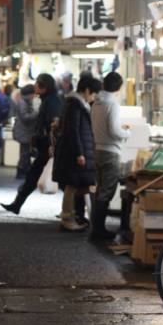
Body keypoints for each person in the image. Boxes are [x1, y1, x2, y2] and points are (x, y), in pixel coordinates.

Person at [1, 73, 63, 214]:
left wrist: (50, 143)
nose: (34, 86)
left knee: (60, 179)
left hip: (50, 146)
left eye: (37, 83)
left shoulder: (52, 102)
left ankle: (73, 210)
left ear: (44, 87)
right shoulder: (49, 100)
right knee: (35, 176)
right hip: (47, 146)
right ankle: (17, 204)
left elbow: (53, 125)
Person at [52, 75, 101, 232]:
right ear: (86, 90)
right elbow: (73, 131)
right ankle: (67, 218)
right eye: (93, 94)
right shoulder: (75, 105)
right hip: (73, 152)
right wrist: (80, 153)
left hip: (73, 151)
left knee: (75, 186)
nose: (93, 97)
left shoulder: (76, 104)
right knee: (71, 187)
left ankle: (72, 217)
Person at [89, 72, 131, 241]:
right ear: (119, 87)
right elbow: (114, 130)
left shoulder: (96, 102)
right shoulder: (112, 103)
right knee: (106, 191)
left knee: (100, 191)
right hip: (110, 151)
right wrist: (126, 132)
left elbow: (102, 126)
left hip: (98, 149)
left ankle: (96, 227)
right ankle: (98, 230)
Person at [12, 84, 38, 179]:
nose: (34, 96)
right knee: (24, 153)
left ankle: (24, 170)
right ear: (29, 94)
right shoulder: (23, 103)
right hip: (23, 132)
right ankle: (21, 171)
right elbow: (25, 117)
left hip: (24, 131)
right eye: (33, 94)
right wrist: (36, 113)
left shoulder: (24, 101)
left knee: (25, 152)